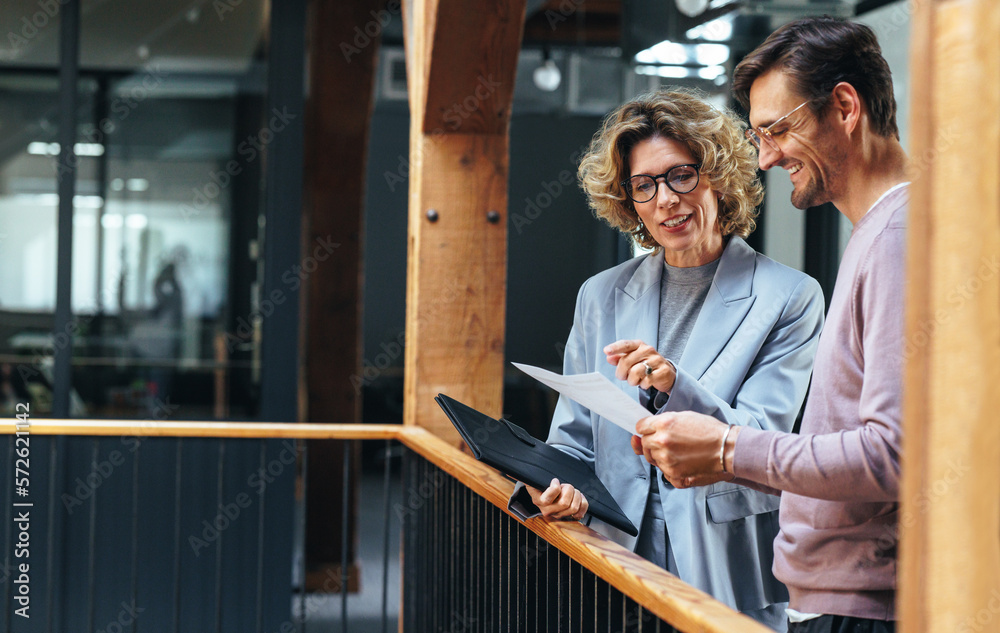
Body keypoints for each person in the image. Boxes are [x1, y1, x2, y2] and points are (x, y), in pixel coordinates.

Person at [508, 88, 825, 630]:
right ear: (628, 200)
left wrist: (677, 384)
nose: (666, 200)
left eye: (682, 175)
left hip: (720, 552)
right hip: (617, 545)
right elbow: (573, 441)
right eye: (644, 186)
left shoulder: (790, 296)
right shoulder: (601, 294)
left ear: (719, 176)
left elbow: (759, 441)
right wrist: (562, 490)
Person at [632, 18, 909, 633]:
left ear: (844, 106)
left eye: (776, 130)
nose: (765, 155)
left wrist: (727, 448)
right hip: (831, 598)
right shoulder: (879, 233)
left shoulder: (897, 237)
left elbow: (893, 454)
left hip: (860, 607)